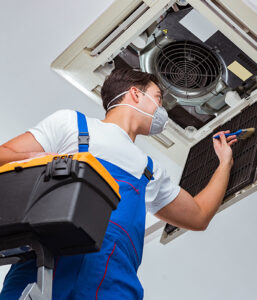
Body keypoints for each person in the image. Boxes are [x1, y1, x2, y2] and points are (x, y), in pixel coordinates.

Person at [0, 68, 237, 299]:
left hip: (113, 285)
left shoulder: (150, 170)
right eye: (158, 98)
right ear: (136, 94)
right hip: (43, 272)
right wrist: (56, 162)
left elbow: (199, 215)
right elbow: (4, 156)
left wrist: (224, 163)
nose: (161, 110)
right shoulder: (72, 125)